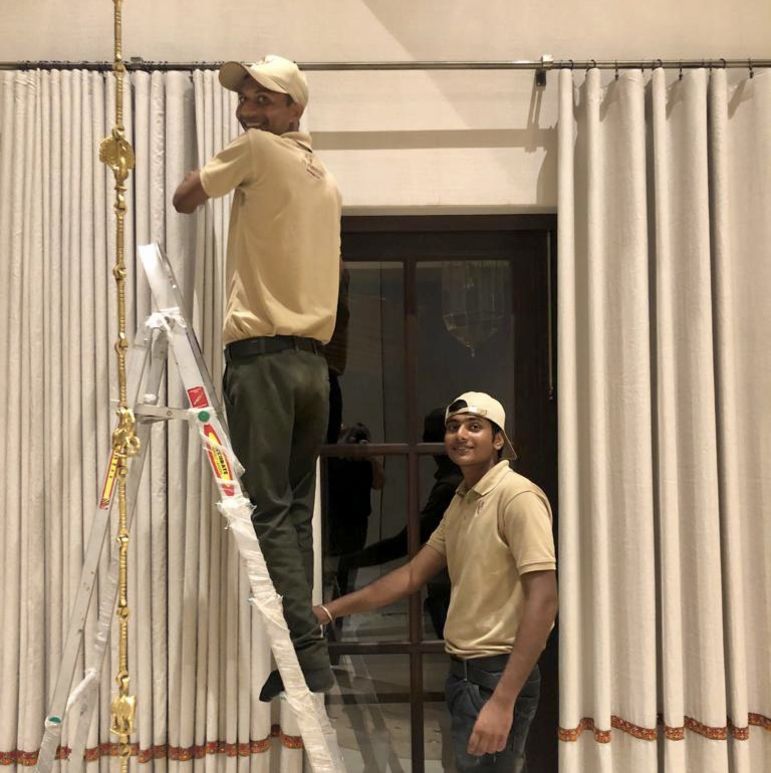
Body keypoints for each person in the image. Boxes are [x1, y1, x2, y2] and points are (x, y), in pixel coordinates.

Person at [172, 55, 342, 700]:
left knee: (268, 507)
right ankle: (304, 647)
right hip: (312, 366)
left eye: (265, 99)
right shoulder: (322, 175)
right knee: (294, 510)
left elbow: (185, 198)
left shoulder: (258, 150)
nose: (249, 109)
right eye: (245, 99)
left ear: (295, 109)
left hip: (265, 361)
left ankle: (305, 651)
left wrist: (213, 175)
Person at [312, 392, 558, 772]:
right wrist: (329, 610)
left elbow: (543, 600)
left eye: (474, 426)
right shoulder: (461, 500)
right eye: (453, 427)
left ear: (498, 440)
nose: (460, 435)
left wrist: (503, 701)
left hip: (496, 675)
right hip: (464, 674)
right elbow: (411, 575)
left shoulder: (517, 497)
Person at [339, 407, 462, 637]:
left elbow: (407, 542)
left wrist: (344, 562)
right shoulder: (458, 483)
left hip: (452, 592)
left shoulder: (451, 486)